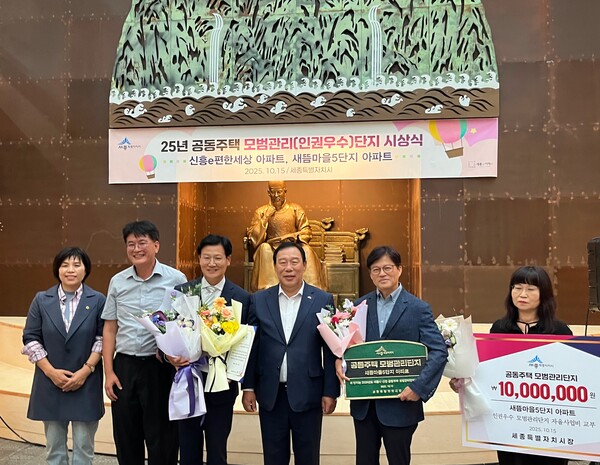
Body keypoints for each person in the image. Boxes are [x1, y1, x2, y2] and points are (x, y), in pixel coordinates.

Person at [336, 245, 447, 465]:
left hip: (401, 404)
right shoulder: (359, 307)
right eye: (376, 269)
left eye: (388, 268)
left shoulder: (418, 308)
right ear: (370, 274)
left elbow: (438, 351)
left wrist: (419, 388)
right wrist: (340, 359)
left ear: (399, 269)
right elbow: (348, 345)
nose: (382, 274)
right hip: (365, 405)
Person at [450, 266, 572, 465]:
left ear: (544, 294)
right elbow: (489, 374)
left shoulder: (559, 331)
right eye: (517, 287)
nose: (522, 294)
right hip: (510, 423)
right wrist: (464, 382)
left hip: (548, 425)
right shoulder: (499, 328)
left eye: (530, 289)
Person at [241, 241, 339, 465]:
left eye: (294, 262)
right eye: (282, 262)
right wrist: (248, 387)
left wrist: (330, 391)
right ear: (274, 266)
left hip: (309, 393)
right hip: (271, 394)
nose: (288, 268)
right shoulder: (259, 300)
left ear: (304, 265)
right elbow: (252, 347)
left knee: (308, 457)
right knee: (273, 458)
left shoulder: (322, 299)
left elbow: (330, 349)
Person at [102, 220, 187, 465]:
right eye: (131, 244)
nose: (136, 249)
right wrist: (109, 372)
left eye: (142, 243)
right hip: (125, 367)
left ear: (156, 245)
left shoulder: (176, 278)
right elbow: (110, 328)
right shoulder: (117, 281)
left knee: (163, 437)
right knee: (126, 436)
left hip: (159, 366)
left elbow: (186, 323)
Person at [171, 234, 251, 465]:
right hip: (188, 382)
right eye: (206, 257)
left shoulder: (242, 297)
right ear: (199, 259)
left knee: (217, 449)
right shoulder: (183, 291)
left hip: (223, 385)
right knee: (188, 450)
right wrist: (169, 356)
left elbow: (247, 345)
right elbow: (169, 330)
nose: (212, 263)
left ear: (228, 260)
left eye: (218, 258)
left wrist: (246, 384)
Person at [21, 247, 105, 465]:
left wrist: (85, 371)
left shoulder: (98, 300)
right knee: (54, 449)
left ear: (86, 269)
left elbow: (102, 339)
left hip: (85, 382)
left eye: (77, 265)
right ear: (57, 269)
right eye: (65, 265)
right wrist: (50, 372)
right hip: (50, 383)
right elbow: (31, 338)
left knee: (84, 449)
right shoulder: (41, 300)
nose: (71, 270)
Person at [246, 180, 326, 290]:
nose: (276, 195)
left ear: (285, 191)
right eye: (273, 192)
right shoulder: (261, 211)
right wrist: (265, 218)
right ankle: (268, 288)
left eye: (279, 192)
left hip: (294, 246)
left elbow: (306, 231)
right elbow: (253, 238)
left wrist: (295, 236)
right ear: (268, 192)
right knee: (264, 248)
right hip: (272, 248)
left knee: (307, 250)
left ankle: (313, 288)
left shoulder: (295, 209)